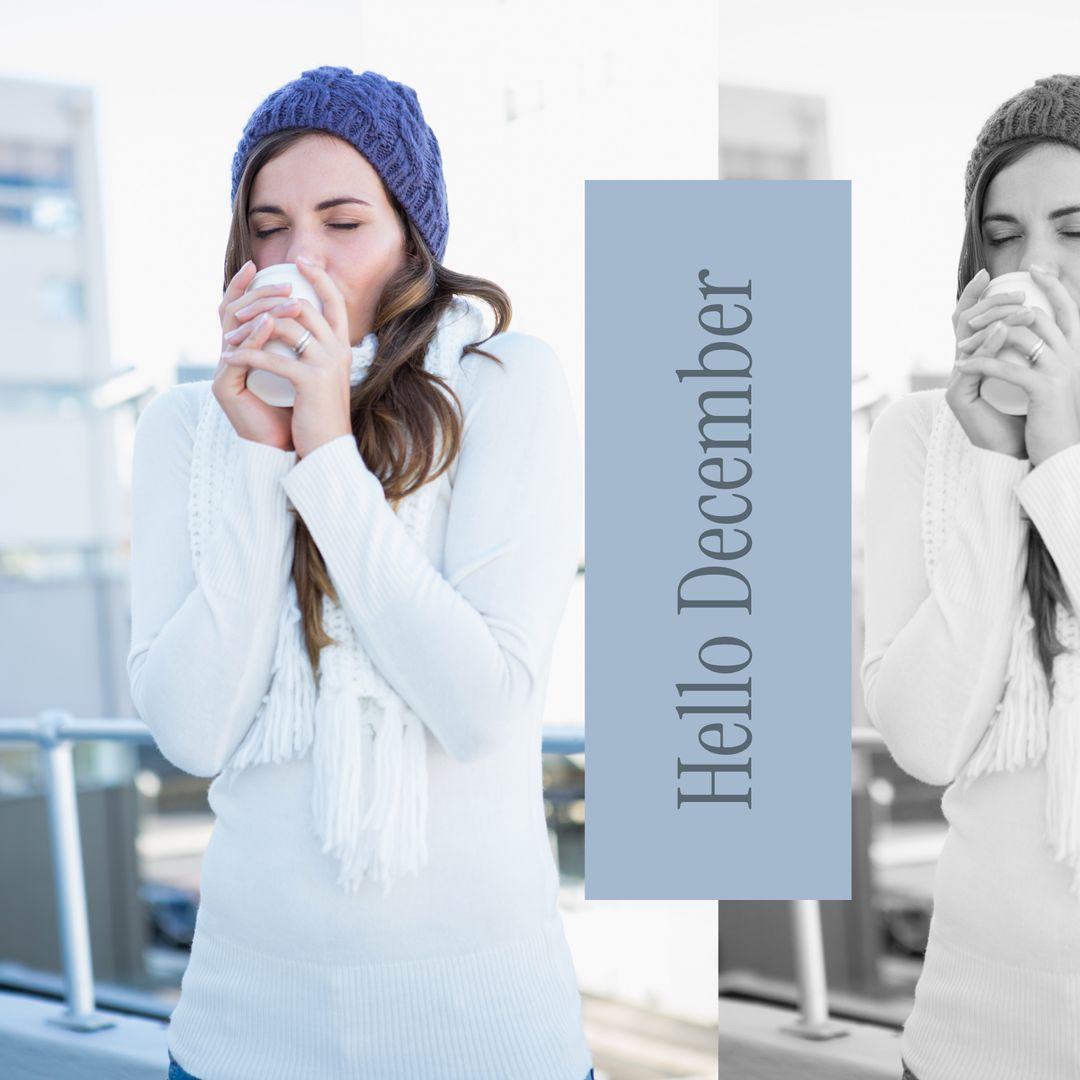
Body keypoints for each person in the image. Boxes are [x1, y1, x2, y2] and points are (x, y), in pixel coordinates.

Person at [126, 65, 595, 1080]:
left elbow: (479, 708)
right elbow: (193, 734)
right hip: (240, 1040)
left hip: (485, 1038)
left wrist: (327, 453)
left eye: (343, 221)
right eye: (268, 226)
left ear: (411, 237)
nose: (301, 259)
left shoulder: (508, 386)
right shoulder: (182, 430)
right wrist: (261, 454)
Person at [862, 74, 1080, 1080]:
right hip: (964, 1046)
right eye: (1002, 236)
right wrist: (994, 464)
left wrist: (1061, 454)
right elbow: (927, 741)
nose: (1032, 265)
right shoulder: (921, 437)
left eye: (1074, 230)